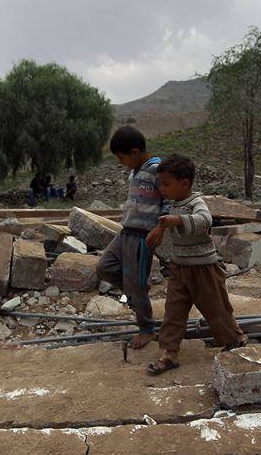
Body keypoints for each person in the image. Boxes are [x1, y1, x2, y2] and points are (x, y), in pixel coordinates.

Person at [145, 155, 247, 374]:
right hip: (179, 268)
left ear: (185, 184)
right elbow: (167, 223)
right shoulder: (173, 205)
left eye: (166, 184)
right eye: (160, 183)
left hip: (204, 268)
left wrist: (179, 221)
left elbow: (205, 221)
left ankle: (235, 340)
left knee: (216, 308)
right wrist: (161, 229)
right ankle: (169, 353)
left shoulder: (196, 203)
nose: (162, 188)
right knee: (173, 312)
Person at [97, 126, 164, 349]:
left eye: (122, 157)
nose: (121, 162)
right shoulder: (135, 171)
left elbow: (170, 201)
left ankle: (146, 328)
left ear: (135, 151)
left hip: (144, 236)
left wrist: (161, 227)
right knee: (104, 267)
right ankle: (135, 290)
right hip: (126, 231)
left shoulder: (156, 170)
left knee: (136, 284)